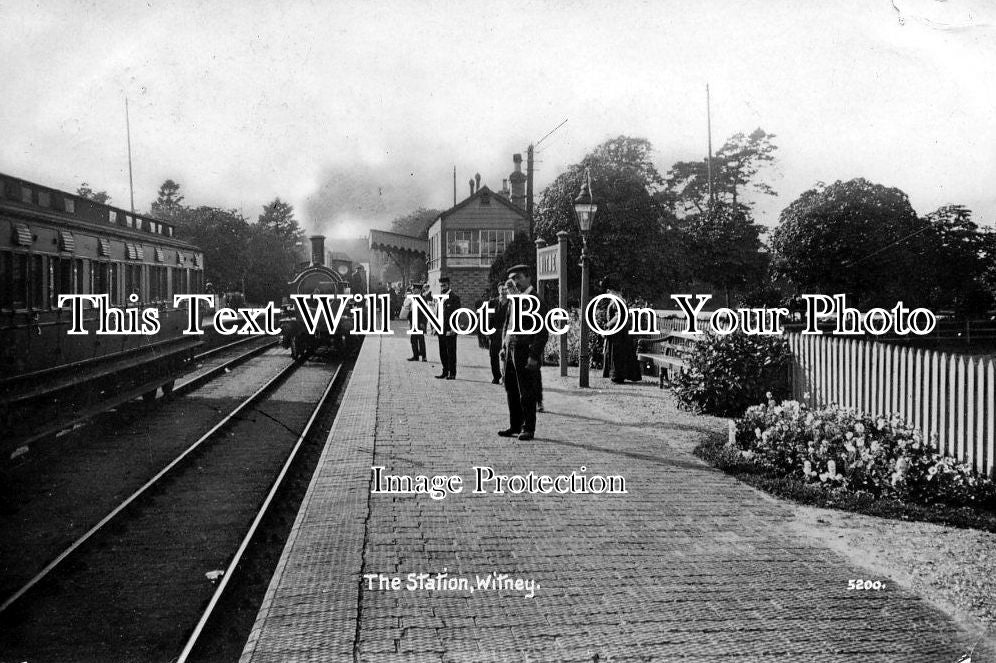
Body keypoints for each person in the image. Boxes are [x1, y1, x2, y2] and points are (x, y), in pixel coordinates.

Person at [498, 265, 548, 441]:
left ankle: (528, 428)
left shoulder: (535, 300)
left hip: (525, 351)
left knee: (526, 391)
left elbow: (542, 332)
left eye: (518, 277)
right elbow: (508, 324)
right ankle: (515, 425)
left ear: (528, 278)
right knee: (511, 388)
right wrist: (504, 346)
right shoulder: (515, 299)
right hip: (511, 349)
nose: (515, 282)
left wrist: (534, 355)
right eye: (512, 278)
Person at [599, 276, 642, 383]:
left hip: (618, 332)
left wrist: (608, 324)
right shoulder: (618, 300)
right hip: (619, 331)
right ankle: (618, 375)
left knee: (618, 353)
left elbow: (619, 316)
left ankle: (618, 376)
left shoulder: (617, 301)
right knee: (619, 353)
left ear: (611, 291)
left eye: (608, 291)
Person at [435, 276, 461, 379]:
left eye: (444, 285)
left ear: (449, 285)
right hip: (441, 328)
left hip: (450, 329)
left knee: (451, 351)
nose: (442, 288)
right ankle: (445, 370)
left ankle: (452, 373)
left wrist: (453, 329)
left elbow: (457, 314)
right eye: (441, 286)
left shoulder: (454, 298)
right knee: (442, 351)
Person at [486, 283, 508, 384]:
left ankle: (505, 376)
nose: (503, 292)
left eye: (505, 289)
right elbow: (487, 318)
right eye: (502, 289)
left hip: (506, 334)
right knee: (493, 356)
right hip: (494, 333)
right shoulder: (492, 302)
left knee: (507, 356)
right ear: (498, 290)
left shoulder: (511, 303)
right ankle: (496, 376)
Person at [399, 283, 428, 361]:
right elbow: (409, 310)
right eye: (413, 289)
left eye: (414, 289)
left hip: (420, 322)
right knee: (413, 339)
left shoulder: (423, 299)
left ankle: (424, 356)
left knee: (421, 340)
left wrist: (423, 323)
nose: (413, 291)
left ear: (419, 290)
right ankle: (415, 356)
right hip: (413, 322)